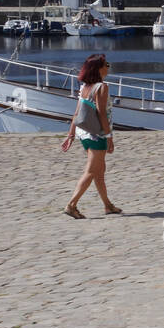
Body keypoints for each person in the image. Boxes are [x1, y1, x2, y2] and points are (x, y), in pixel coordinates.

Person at [61, 54, 121, 218]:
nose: (108, 67)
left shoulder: (85, 87)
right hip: (97, 134)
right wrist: (109, 137)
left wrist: (71, 134)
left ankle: (108, 206)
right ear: (99, 68)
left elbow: (76, 112)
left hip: (84, 133)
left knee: (99, 171)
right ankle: (71, 205)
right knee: (91, 171)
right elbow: (102, 114)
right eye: (106, 64)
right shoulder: (102, 87)